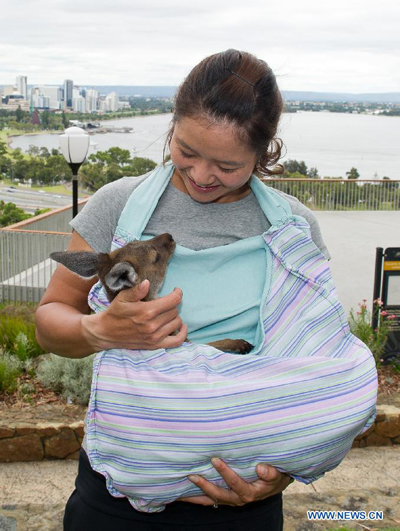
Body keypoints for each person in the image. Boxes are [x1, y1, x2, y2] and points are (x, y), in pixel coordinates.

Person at [35, 49, 375, 531]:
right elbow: (51, 323)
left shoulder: (295, 228)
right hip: (117, 502)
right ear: (172, 125)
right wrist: (100, 331)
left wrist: (280, 475)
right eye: (186, 151)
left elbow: (316, 360)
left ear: (264, 152)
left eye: (228, 165)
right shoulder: (118, 204)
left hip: (242, 505)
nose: (199, 176)